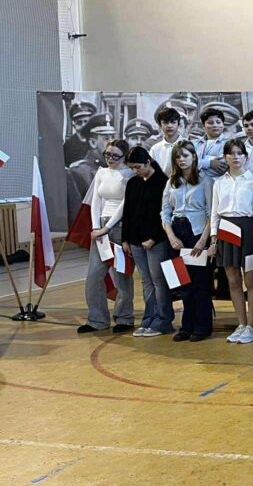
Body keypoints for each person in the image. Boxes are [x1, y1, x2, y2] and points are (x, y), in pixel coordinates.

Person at [210, 138, 253, 344]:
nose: (235, 157)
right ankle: (241, 324)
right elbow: (214, 213)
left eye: (239, 153)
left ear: (245, 156)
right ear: (225, 157)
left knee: (250, 280)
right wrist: (214, 238)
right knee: (233, 280)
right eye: (231, 153)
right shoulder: (219, 182)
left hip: (248, 229)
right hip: (226, 229)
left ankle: (252, 326)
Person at [78, 139, 135, 334]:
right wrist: (97, 227)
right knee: (94, 276)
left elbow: (125, 204)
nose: (110, 158)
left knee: (122, 275)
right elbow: (96, 200)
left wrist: (107, 227)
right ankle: (97, 319)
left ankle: (124, 317)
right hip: (101, 226)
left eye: (115, 156)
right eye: (107, 154)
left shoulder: (129, 174)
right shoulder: (101, 173)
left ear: (124, 156)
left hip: (120, 226)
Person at [161, 141, 214, 342]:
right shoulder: (171, 182)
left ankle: (202, 327)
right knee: (183, 283)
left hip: (196, 232)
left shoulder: (205, 180)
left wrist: (202, 241)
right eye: (178, 156)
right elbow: (165, 212)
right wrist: (171, 237)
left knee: (200, 283)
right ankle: (186, 326)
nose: (181, 160)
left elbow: (211, 213)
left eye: (185, 155)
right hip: (177, 233)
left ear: (194, 156)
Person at [121, 147, 174, 338]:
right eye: (132, 168)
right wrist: (125, 239)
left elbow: (165, 214)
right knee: (146, 282)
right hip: (136, 241)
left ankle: (163, 320)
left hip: (156, 241)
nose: (135, 171)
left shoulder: (162, 182)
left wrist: (154, 238)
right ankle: (148, 319)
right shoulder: (133, 183)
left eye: (138, 167)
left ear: (148, 162)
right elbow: (128, 212)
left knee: (159, 281)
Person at [195, 105, 229, 180]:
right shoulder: (195, 143)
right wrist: (209, 163)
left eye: (218, 122)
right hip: (194, 183)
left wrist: (198, 162)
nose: (215, 125)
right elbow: (186, 163)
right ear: (203, 126)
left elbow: (222, 167)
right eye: (210, 123)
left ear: (223, 125)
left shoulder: (229, 144)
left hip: (218, 184)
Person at [149, 106, 183, 175]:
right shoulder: (155, 149)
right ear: (160, 125)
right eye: (165, 122)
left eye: (173, 122)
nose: (169, 126)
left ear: (178, 125)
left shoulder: (189, 145)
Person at [64, 100, 96, 166]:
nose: (83, 125)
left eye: (86, 122)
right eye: (79, 122)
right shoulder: (67, 146)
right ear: (74, 125)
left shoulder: (97, 142)